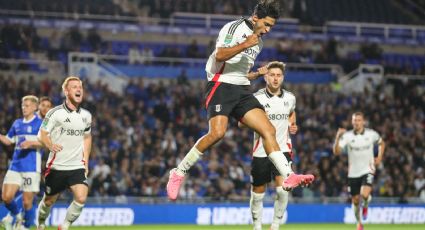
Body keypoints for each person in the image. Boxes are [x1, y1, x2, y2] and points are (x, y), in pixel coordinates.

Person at [166, 0, 314, 201]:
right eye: (267, 24)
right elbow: (219, 56)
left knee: (268, 130)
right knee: (217, 133)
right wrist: (245, 43)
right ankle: (179, 172)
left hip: (242, 89)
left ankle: (289, 176)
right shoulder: (234, 28)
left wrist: (255, 74)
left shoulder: (259, 41)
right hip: (220, 84)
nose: (269, 30)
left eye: (272, 26)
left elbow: (239, 72)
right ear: (256, 18)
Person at [36, 76, 92, 230]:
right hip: (57, 166)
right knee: (48, 201)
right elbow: (42, 133)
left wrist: (85, 160)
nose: (79, 89)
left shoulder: (86, 116)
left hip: (76, 166)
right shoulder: (55, 113)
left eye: (80, 87)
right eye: (74, 87)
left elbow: (87, 137)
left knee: (81, 197)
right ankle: (40, 223)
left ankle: (65, 226)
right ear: (66, 92)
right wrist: (50, 145)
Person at [248, 61, 297, 230]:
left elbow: (291, 112)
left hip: (283, 149)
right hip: (261, 150)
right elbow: (242, 122)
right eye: (272, 75)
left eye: (278, 75)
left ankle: (275, 225)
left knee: (283, 190)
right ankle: (257, 226)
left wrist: (293, 124)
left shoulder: (290, 98)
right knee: (258, 194)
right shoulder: (256, 98)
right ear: (266, 77)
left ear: (282, 78)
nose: (275, 79)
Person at [333, 112, 385, 230]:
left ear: (363, 122)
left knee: (364, 194)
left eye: (359, 120)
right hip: (353, 173)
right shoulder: (347, 136)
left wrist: (380, 156)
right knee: (356, 201)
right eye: (355, 120)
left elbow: (382, 143)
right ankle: (359, 223)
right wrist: (337, 137)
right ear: (352, 122)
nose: (356, 122)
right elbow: (336, 152)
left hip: (368, 169)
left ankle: (365, 204)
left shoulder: (372, 134)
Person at [0, 95, 44, 230]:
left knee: (27, 202)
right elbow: (8, 140)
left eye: (27, 105)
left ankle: (25, 226)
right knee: (6, 197)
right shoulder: (17, 123)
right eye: (23, 105)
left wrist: (31, 143)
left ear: (35, 107)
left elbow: (46, 143)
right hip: (15, 165)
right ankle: (16, 215)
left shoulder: (40, 123)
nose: (24, 108)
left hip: (31, 167)